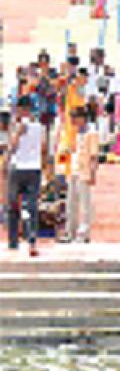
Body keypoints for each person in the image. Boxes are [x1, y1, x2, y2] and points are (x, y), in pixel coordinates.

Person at [6, 97, 46, 256]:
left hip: (18, 168)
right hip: (34, 168)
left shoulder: (18, 126)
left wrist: (6, 160)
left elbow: (13, 146)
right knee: (31, 206)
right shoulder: (41, 127)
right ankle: (31, 239)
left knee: (13, 205)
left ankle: (14, 240)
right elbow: (44, 148)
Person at [64, 106, 99, 243]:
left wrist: (92, 172)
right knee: (71, 202)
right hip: (73, 169)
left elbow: (94, 155)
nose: (72, 121)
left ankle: (84, 232)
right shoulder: (76, 133)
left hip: (84, 171)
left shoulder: (91, 133)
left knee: (85, 204)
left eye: (74, 118)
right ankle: (70, 231)